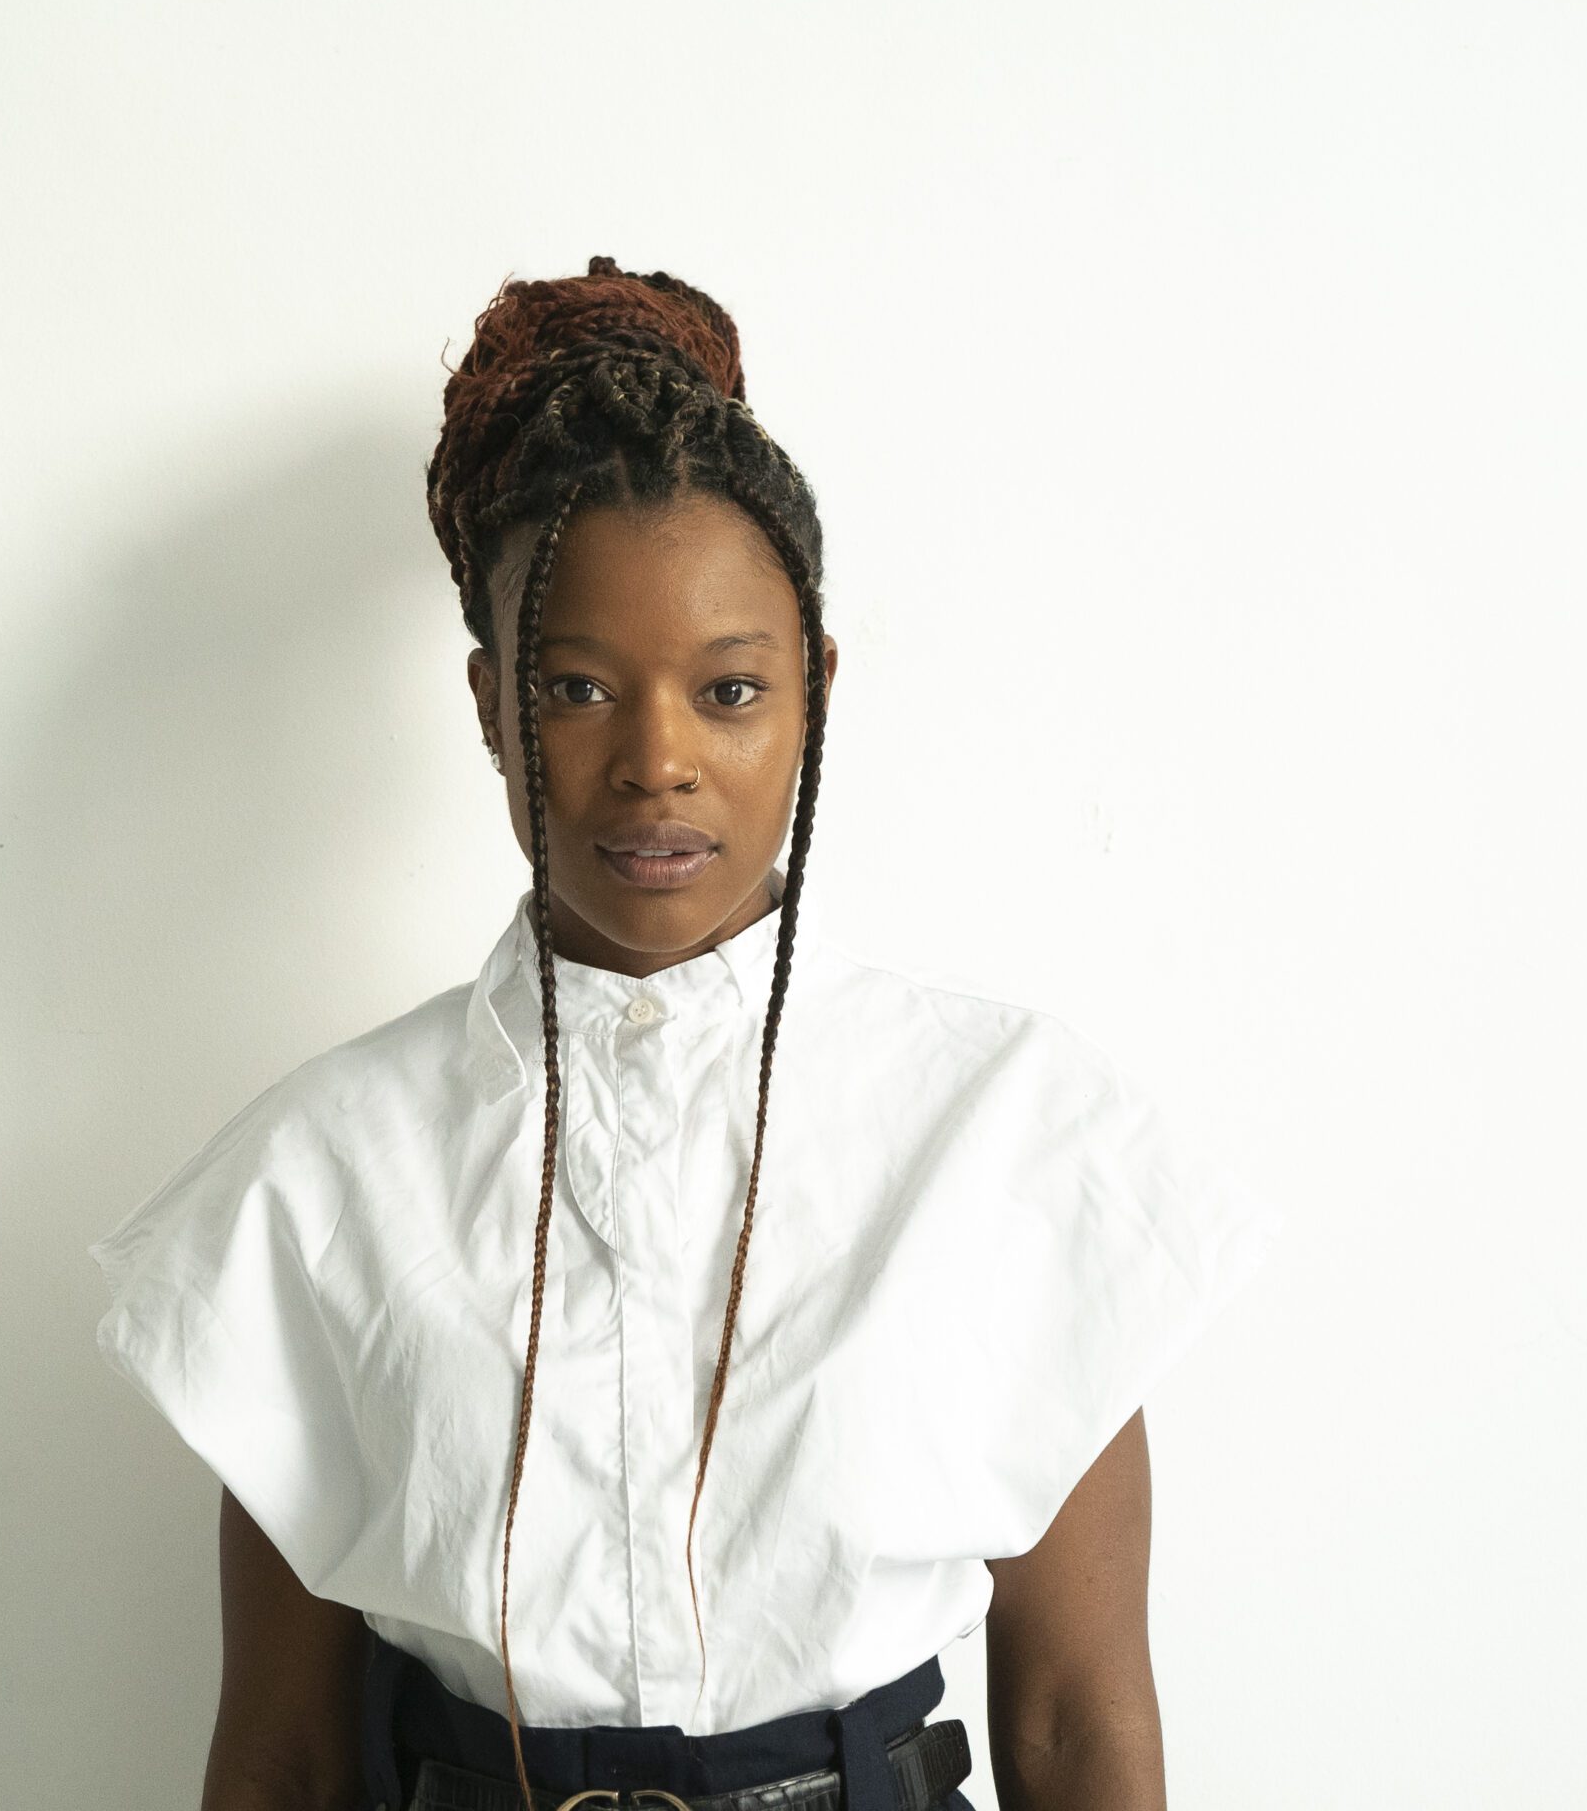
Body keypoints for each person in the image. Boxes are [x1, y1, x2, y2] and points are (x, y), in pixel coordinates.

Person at [91, 258, 1282, 1811]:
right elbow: (285, 1753)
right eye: (578, 687)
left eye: (728, 690)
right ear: (489, 704)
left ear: (814, 693)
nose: (657, 760)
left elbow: (1075, 1721)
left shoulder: (1010, 1132)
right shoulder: (315, 1177)